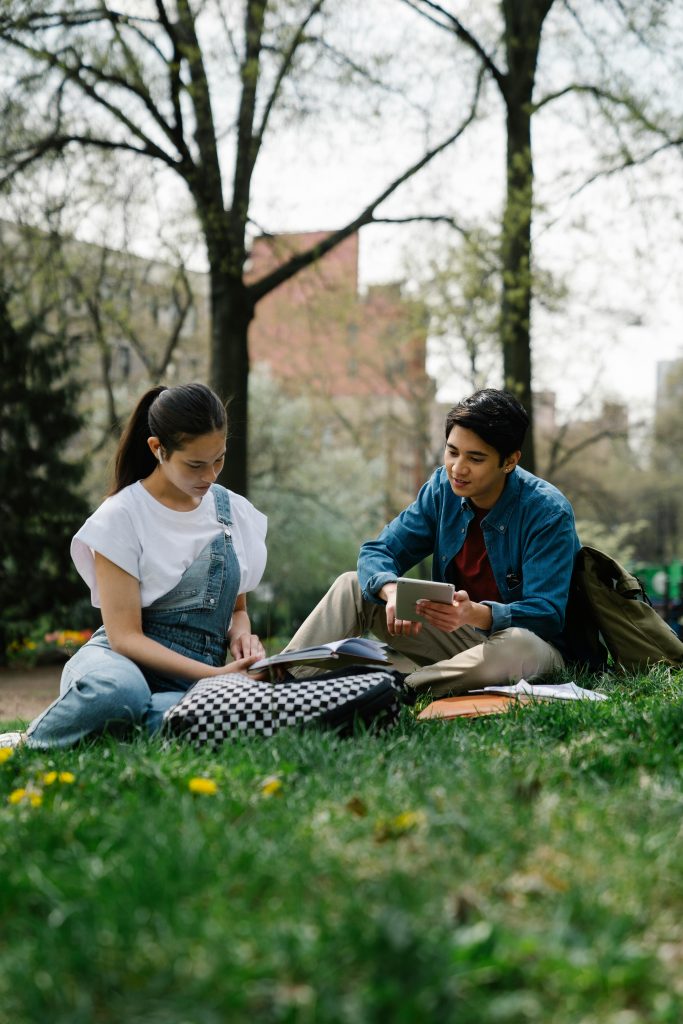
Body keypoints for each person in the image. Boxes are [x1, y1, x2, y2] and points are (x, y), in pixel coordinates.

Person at [0, 382, 267, 749]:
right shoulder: (121, 516)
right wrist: (217, 676)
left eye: (218, 459)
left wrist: (241, 638)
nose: (211, 476)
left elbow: (237, 610)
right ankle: (26, 742)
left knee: (180, 716)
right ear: (158, 449)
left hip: (190, 682)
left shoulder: (231, 511)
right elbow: (125, 638)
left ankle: (118, 728)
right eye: (195, 464)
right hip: (118, 665)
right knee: (121, 692)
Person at [284, 388, 581, 699]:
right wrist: (391, 590)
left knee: (517, 643)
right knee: (354, 585)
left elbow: (546, 615)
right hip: (462, 641)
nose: (458, 468)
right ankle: (277, 684)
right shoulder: (442, 488)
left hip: (533, 651)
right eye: (452, 452)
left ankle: (393, 690)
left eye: (475, 458)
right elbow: (378, 551)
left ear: (509, 461)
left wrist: (476, 614)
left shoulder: (547, 511)